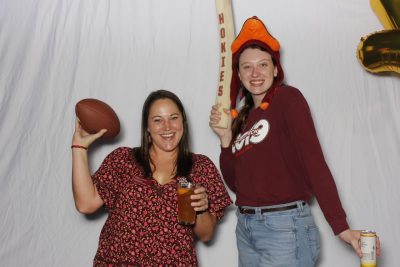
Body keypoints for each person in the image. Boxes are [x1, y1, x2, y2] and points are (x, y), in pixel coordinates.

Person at [209, 16, 380, 267]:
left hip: (285, 229)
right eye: (247, 67)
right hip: (246, 228)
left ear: (276, 69)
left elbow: (314, 161)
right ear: (239, 74)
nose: (255, 73)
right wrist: (226, 141)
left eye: (263, 65)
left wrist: (340, 226)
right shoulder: (243, 118)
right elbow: (238, 185)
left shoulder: (288, 99)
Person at [72, 89, 232, 266]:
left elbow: (206, 235)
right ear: (147, 126)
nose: (167, 127)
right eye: (158, 120)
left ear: (183, 122)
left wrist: (201, 209)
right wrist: (79, 147)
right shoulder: (123, 159)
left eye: (174, 117)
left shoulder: (200, 167)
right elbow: (86, 204)